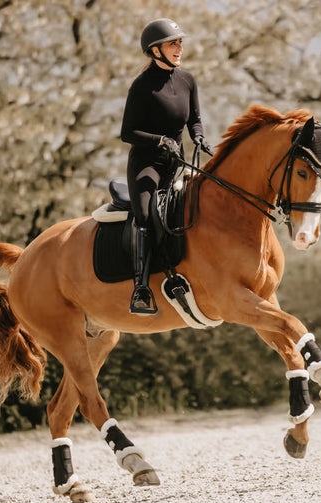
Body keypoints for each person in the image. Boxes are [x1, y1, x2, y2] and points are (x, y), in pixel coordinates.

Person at [121, 18, 212, 315]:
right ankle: (141, 288)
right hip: (147, 164)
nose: (180, 47)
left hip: (177, 163)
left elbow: (194, 119)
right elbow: (128, 132)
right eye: (173, 43)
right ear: (155, 50)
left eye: (180, 42)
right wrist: (160, 141)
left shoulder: (187, 80)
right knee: (146, 215)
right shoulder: (141, 87)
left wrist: (198, 136)